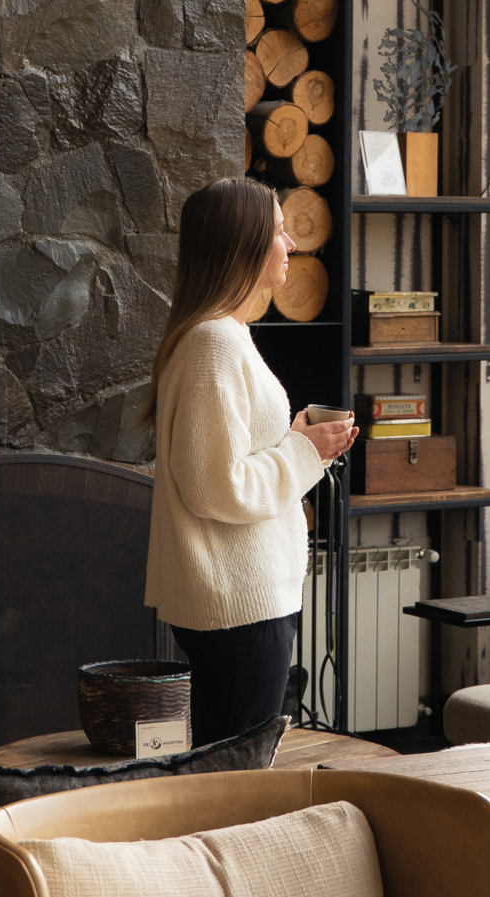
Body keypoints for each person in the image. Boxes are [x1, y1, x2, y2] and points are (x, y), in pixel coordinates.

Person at [143, 177, 358, 748]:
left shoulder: (224, 335)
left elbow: (225, 460)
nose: (291, 244)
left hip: (242, 601)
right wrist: (307, 451)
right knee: (238, 772)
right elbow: (218, 487)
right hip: (238, 603)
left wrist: (296, 439)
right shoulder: (213, 343)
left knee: (228, 764)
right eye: (279, 231)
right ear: (244, 244)